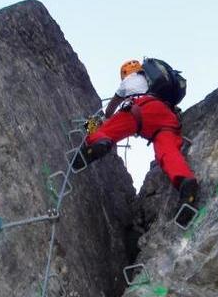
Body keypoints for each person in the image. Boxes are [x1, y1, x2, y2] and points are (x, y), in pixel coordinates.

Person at [73, 59, 199, 224]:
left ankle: (95, 145)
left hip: (139, 108)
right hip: (166, 116)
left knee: (107, 131)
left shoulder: (128, 80)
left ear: (125, 73)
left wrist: (97, 122)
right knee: (167, 152)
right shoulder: (154, 82)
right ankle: (185, 181)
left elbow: (110, 110)